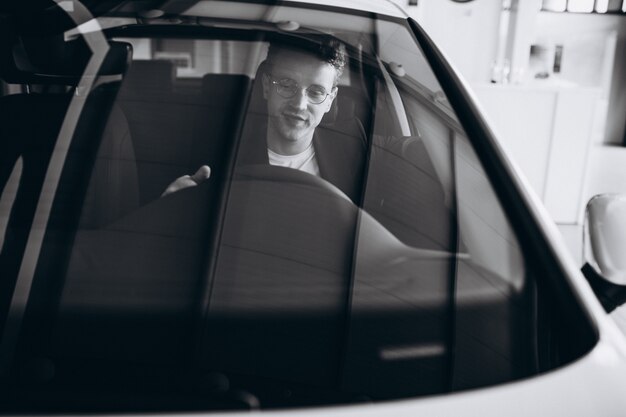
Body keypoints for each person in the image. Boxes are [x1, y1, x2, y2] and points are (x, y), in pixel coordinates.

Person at [162, 37, 366, 202]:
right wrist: (169, 209)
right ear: (267, 86)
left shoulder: (354, 150)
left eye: (316, 92)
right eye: (286, 85)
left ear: (330, 100)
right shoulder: (218, 157)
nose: (299, 104)